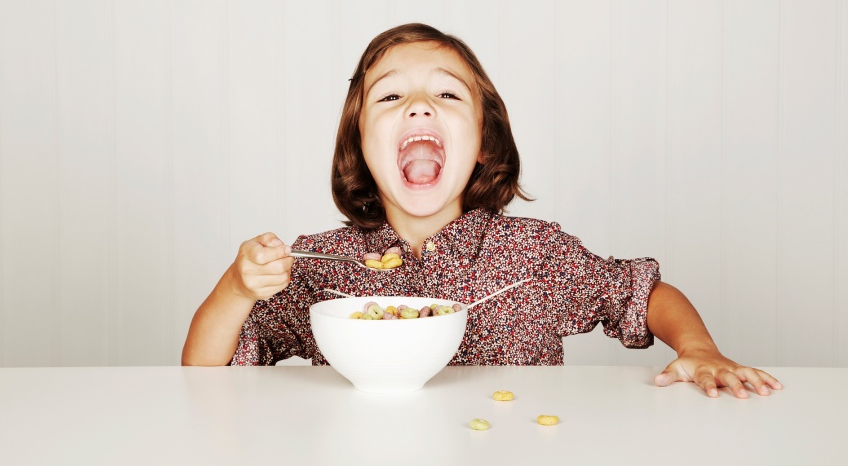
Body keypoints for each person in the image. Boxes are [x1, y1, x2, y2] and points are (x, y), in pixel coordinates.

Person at [183, 23, 782, 399]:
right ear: (360, 144)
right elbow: (202, 375)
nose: (419, 106)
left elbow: (644, 294)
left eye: (446, 94)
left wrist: (698, 348)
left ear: (483, 143)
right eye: (391, 96)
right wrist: (237, 288)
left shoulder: (535, 254)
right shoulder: (320, 265)